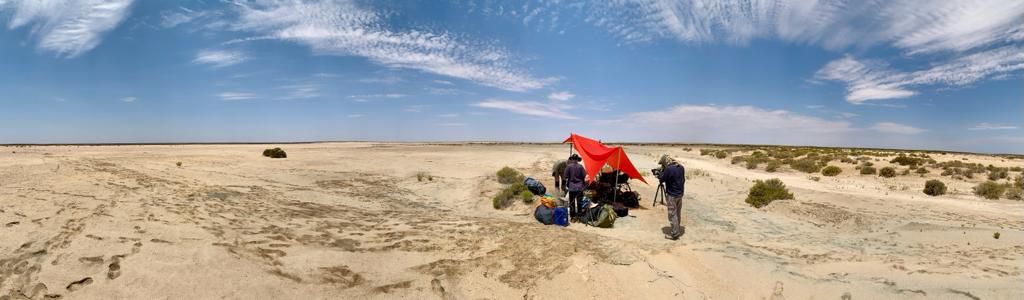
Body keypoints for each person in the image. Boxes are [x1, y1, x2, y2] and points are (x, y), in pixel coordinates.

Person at [657, 155, 686, 240]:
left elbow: (662, 179)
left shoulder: (669, 169)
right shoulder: (681, 167)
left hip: (672, 195)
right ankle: (677, 229)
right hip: (680, 193)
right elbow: (683, 180)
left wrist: (660, 174)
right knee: (677, 213)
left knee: (672, 214)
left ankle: (675, 234)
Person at [563, 154, 587, 221]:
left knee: (572, 203)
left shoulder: (569, 166)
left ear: (572, 159)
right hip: (580, 187)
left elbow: (565, 176)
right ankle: (579, 216)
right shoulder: (580, 166)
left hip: (572, 187)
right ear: (577, 160)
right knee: (579, 202)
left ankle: (573, 216)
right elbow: (584, 175)